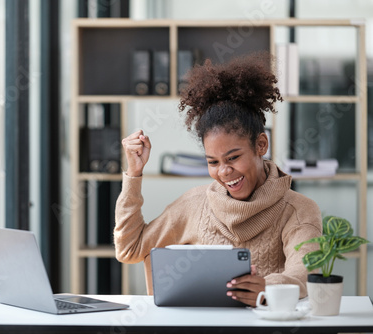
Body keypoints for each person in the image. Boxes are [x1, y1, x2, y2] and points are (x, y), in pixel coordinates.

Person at [113, 51, 322, 307]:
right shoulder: (196, 203)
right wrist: (134, 175)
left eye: (233, 158)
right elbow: (130, 249)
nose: (224, 172)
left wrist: (268, 286)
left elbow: (306, 273)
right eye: (213, 162)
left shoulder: (298, 210)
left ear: (261, 144)